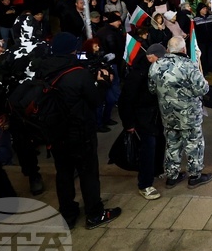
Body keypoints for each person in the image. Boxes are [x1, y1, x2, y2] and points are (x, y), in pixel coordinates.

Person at [41, 32, 122, 229]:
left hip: (56, 133)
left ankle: (68, 214)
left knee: (64, 174)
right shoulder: (78, 74)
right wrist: (103, 82)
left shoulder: (44, 70)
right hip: (80, 132)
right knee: (88, 173)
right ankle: (95, 213)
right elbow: (96, 100)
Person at [148, 36, 212, 189]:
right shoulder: (189, 65)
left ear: (168, 49)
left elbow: (151, 89)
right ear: (183, 49)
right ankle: (195, 176)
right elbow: (202, 89)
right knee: (193, 143)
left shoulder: (156, 65)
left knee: (172, 143)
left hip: (167, 114)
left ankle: (172, 176)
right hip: (188, 114)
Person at [118, 42, 165, 200]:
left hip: (156, 116)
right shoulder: (137, 75)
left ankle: (157, 170)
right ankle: (145, 184)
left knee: (159, 144)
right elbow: (126, 100)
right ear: (152, 57)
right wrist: (129, 124)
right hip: (143, 118)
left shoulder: (154, 69)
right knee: (148, 149)